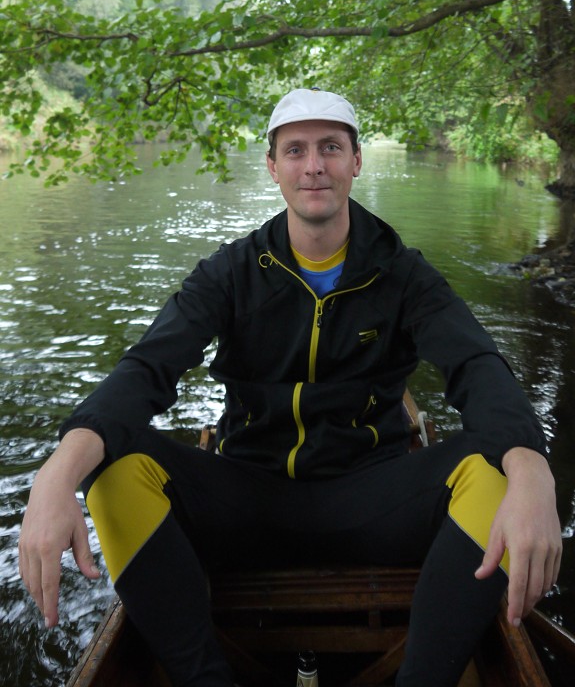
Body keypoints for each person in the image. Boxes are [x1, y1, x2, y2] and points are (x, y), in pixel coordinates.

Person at [19, 88, 562, 687]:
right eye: (296, 150)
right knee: (113, 467)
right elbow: (148, 369)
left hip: (373, 499)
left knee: (495, 469)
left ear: (356, 161)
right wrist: (58, 471)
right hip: (247, 498)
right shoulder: (230, 273)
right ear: (273, 167)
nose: (314, 166)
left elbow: (477, 367)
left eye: (330, 147)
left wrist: (532, 466)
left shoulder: (404, 274)